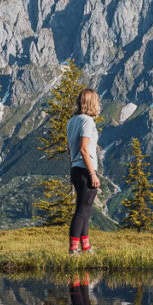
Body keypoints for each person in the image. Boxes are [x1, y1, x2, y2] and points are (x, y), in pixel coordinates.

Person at [66, 88, 101, 255]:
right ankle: (74, 249)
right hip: (85, 169)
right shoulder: (87, 121)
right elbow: (83, 149)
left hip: (75, 168)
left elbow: (69, 149)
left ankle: (85, 247)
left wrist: (73, 166)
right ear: (91, 102)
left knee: (84, 209)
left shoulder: (72, 121)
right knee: (82, 211)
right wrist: (92, 173)